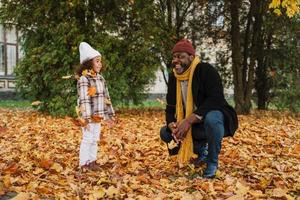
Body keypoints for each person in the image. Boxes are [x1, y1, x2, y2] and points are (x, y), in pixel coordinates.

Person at [160, 39, 238, 178]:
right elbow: (170, 107)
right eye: (174, 56)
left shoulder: (205, 70)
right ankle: (201, 150)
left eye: (181, 56)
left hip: (210, 120)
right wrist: (172, 124)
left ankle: (212, 162)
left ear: (191, 57)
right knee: (165, 133)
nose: (176, 60)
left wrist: (189, 120)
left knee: (212, 119)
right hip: (191, 124)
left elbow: (216, 99)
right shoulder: (174, 77)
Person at [76, 42, 115, 171]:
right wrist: (86, 118)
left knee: (95, 139)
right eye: (97, 61)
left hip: (98, 116)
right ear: (89, 63)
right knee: (87, 139)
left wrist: (109, 115)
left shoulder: (100, 79)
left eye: (100, 61)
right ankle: (83, 164)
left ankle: (92, 161)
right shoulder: (84, 79)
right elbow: (84, 100)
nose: (100, 64)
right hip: (87, 116)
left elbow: (106, 98)